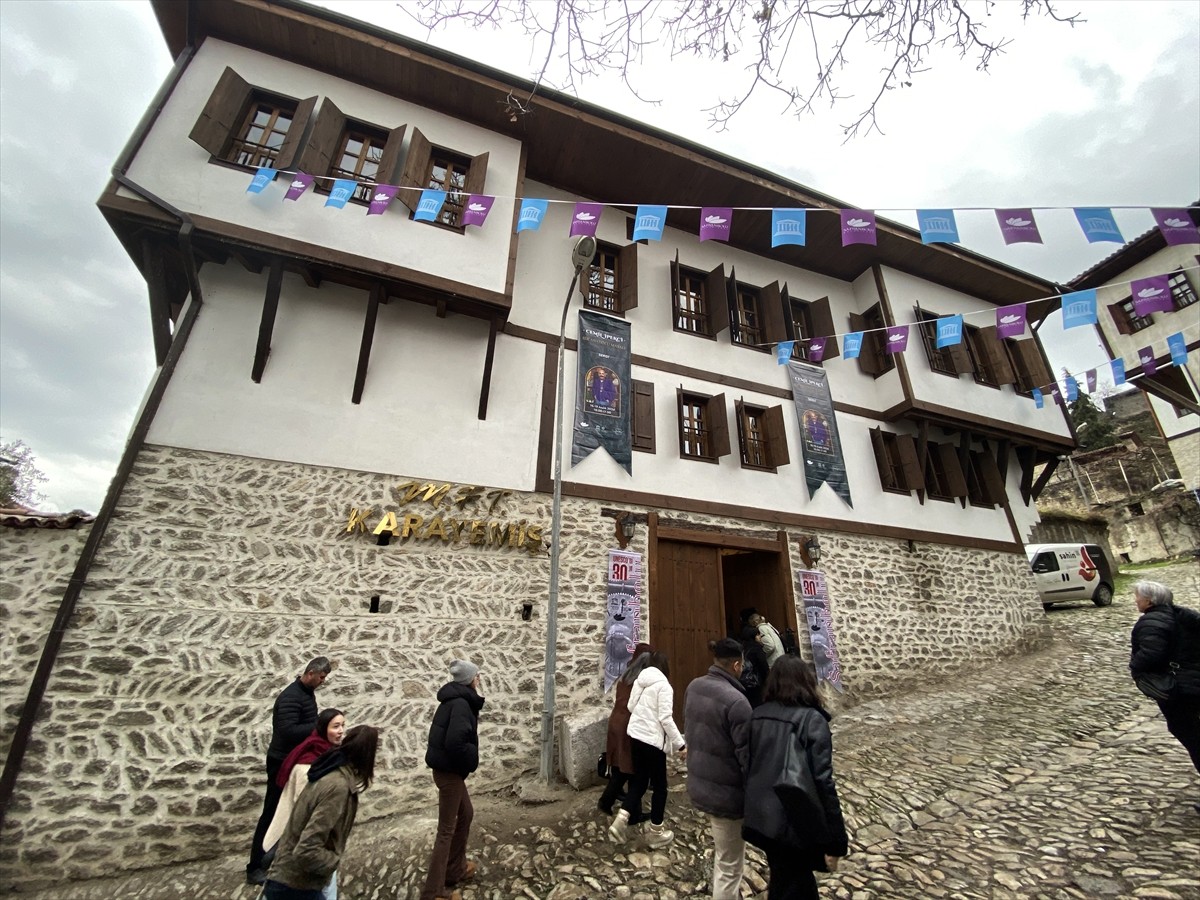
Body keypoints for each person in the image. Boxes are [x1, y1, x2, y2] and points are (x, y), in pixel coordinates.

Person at [743, 655, 848, 899]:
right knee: (796, 884)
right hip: (796, 819)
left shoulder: (758, 714)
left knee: (784, 877)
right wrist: (836, 838)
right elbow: (823, 780)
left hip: (764, 816)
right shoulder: (812, 720)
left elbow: (749, 763)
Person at [263, 724, 379, 900]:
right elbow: (307, 848)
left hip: (290, 879)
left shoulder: (329, 773)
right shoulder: (337, 786)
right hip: (295, 884)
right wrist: (333, 861)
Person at [248, 657, 333, 885]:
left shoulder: (304, 694)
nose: (323, 681)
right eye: (322, 677)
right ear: (311, 673)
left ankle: (277, 860)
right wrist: (318, 726)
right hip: (281, 761)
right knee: (272, 812)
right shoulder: (291, 696)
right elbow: (287, 731)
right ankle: (255, 865)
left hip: (294, 760)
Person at [684, 638, 752, 900]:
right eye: (742, 664)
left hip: (701, 784)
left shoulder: (694, 686)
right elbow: (748, 756)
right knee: (729, 866)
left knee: (725, 856)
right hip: (727, 795)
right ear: (736, 665)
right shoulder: (737, 702)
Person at [1129, 580, 1200, 803]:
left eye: (1138, 597)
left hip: (1179, 688)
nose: (1136, 600)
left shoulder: (1151, 622)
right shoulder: (1183, 615)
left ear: (1149, 600)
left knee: (1191, 734)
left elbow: (1151, 655)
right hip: (1195, 681)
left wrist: (1135, 666)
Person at [420, 660, 485, 900]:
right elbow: (456, 742)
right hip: (449, 773)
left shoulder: (457, 700)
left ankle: (455, 868)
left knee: (466, 813)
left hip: (449, 771)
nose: (478, 679)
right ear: (469, 680)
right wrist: (472, 758)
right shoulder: (460, 704)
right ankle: (433, 892)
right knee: (445, 830)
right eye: (476, 676)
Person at [609, 650, 686, 847]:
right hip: (652, 740)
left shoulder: (640, 681)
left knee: (640, 781)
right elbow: (666, 719)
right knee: (660, 787)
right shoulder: (664, 687)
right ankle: (656, 832)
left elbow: (632, 706)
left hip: (636, 735)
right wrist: (681, 744)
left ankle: (621, 820)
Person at [264, 709, 347, 873]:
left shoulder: (328, 754)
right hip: (298, 842)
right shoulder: (307, 766)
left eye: (343, 725)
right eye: (336, 726)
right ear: (324, 729)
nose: (341, 731)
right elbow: (305, 811)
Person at [599, 642, 654, 818]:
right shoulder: (642, 680)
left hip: (617, 721)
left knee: (621, 766)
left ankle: (608, 802)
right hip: (629, 725)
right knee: (631, 768)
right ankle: (631, 811)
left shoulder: (625, 676)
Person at [739, 625, 770, 708]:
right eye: (758, 635)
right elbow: (763, 667)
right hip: (756, 683)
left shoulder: (741, 648)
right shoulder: (757, 649)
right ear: (754, 637)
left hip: (742, 682)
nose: (760, 637)